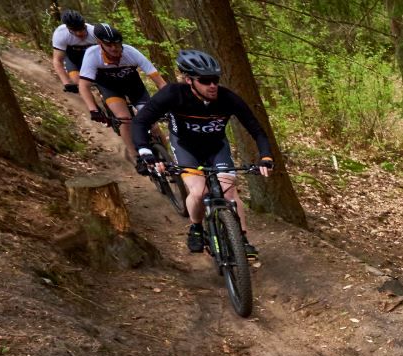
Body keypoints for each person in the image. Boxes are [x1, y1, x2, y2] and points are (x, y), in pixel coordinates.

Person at [132, 50, 273, 258]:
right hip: (185, 147)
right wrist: (145, 152)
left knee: (229, 192)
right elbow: (140, 121)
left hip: (216, 148)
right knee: (198, 192)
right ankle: (196, 227)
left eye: (215, 80)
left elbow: (256, 130)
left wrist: (266, 156)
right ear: (189, 80)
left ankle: (241, 238)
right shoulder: (173, 94)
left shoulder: (228, 98)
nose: (213, 85)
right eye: (205, 81)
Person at [78, 24, 167, 169]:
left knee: (152, 122)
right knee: (125, 119)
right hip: (110, 89)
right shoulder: (92, 55)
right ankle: (136, 157)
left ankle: (167, 158)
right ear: (100, 44)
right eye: (109, 44)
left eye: (117, 43)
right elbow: (83, 85)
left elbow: (159, 81)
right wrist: (93, 109)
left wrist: (168, 102)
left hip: (134, 87)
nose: (114, 48)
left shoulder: (131, 52)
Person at [50, 9, 97, 106]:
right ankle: (95, 108)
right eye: (74, 31)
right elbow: (57, 60)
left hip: (92, 60)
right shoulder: (61, 34)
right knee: (79, 84)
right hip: (73, 60)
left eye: (81, 29)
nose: (79, 33)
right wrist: (66, 83)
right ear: (68, 28)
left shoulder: (93, 31)